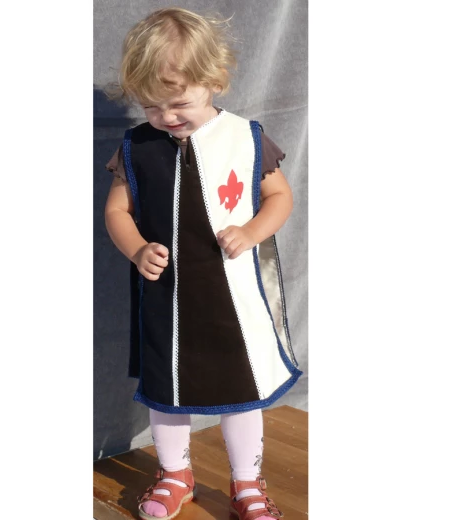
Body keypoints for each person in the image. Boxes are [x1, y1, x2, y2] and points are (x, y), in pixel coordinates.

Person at [104, 7, 302, 520]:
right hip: (167, 297)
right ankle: (175, 474)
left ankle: (246, 483)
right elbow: (117, 211)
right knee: (167, 391)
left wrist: (251, 231)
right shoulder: (137, 147)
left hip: (233, 296)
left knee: (242, 390)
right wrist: (136, 248)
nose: (166, 116)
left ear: (213, 81)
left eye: (179, 103)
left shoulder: (245, 138)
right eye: (151, 105)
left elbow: (279, 197)